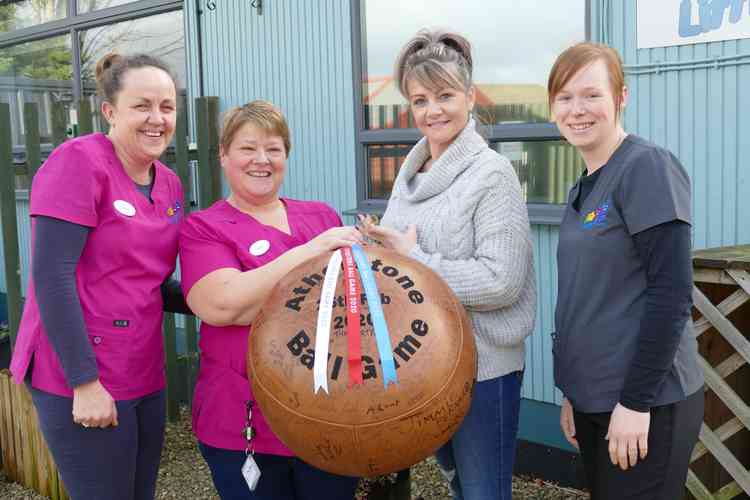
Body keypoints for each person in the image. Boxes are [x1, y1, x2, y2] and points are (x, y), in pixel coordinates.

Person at [360, 29, 536, 500]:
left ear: (469, 96)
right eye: (420, 100)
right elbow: (396, 261)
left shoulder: (492, 175)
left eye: (444, 95)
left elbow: (501, 281)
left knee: (483, 492)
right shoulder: (410, 175)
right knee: (458, 484)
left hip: (483, 368)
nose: (432, 110)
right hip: (426, 367)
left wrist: (413, 258)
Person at [9, 53, 188, 500]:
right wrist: (84, 384)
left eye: (166, 107)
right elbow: (52, 277)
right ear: (109, 111)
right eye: (141, 105)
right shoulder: (79, 163)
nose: (156, 118)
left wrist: (226, 296)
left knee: (139, 492)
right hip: (79, 369)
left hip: (141, 365)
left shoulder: (168, 183)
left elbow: (148, 282)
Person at [178, 100, 361, 500]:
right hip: (246, 424)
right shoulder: (205, 228)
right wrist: (309, 251)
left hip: (326, 417)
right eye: (247, 148)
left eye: (274, 149)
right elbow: (223, 305)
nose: (261, 160)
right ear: (225, 156)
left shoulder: (320, 216)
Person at [549, 42, 704, 500]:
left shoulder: (646, 167)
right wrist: (573, 393)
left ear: (621, 97)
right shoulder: (582, 187)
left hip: (645, 403)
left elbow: (672, 294)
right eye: (564, 97)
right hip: (595, 399)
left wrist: (635, 404)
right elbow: (585, 300)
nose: (577, 110)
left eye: (591, 94)